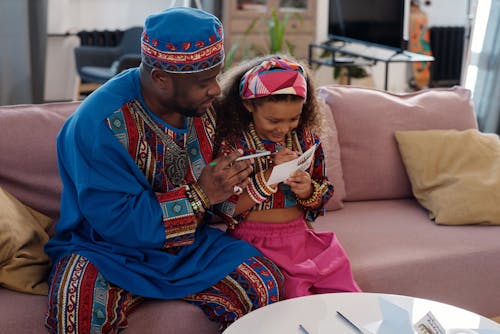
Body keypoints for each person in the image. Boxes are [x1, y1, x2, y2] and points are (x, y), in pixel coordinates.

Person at [44, 8, 284, 333]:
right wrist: (201, 195)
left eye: (217, 75)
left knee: (264, 282)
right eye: (204, 82)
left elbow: (222, 185)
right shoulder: (98, 125)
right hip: (104, 250)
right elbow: (119, 223)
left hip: (189, 247)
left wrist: (240, 177)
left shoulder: (203, 107)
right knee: (75, 309)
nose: (216, 89)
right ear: (160, 78)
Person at [213, 55, 361, 299]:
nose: (283, 129)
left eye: (293, 119)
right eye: (273, 120)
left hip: (302, 237)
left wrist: (308, 191)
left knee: (347, 294)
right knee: (292, 301)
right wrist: (269, 177)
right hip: (252, 243)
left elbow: (322, 195)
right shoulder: (234, 147)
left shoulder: (307, 140)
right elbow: (224, 208)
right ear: (249, 105)